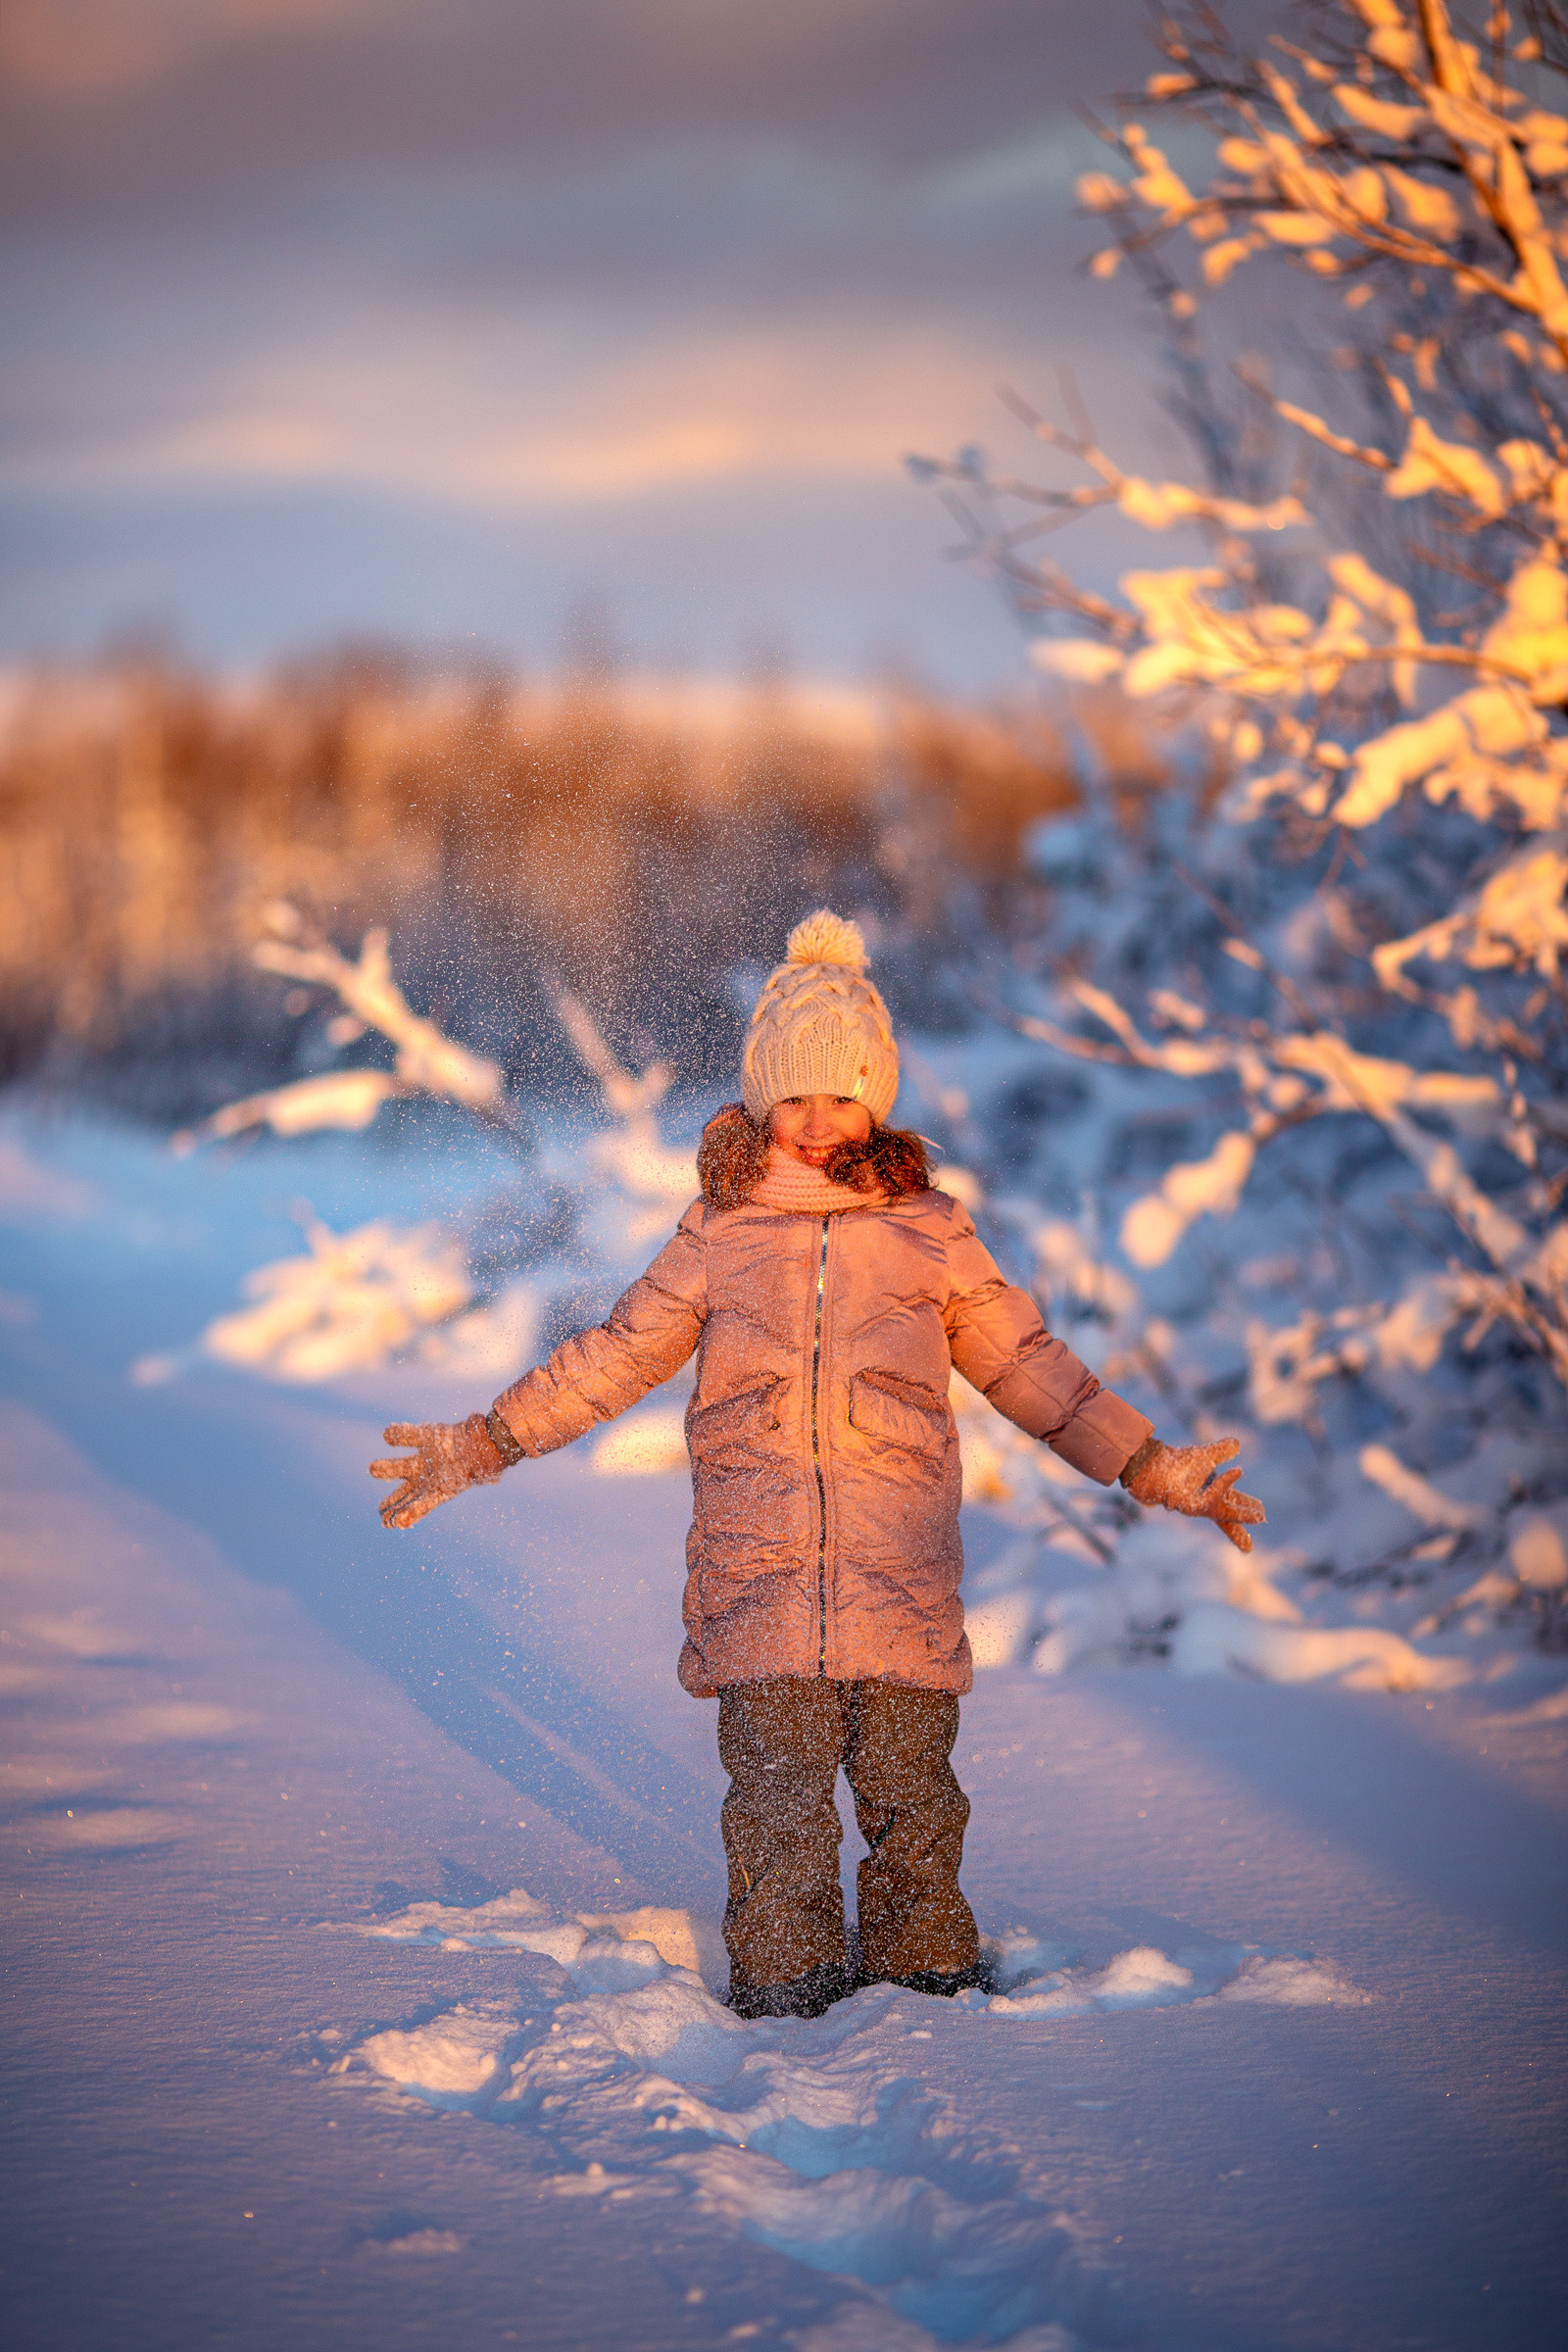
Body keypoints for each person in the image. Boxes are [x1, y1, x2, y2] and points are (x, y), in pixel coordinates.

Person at [370, 910, 1263, 2019]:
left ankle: (928, 1982)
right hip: (760, 1579)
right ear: (760, 1101)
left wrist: (1146, 1465)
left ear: (874, 1099)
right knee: (778, 1804)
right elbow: (614, 1356)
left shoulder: (930, 1233)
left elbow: (1033, 1370)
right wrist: (487, 1440)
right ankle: (785, 1989)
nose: (815, 1122)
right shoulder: (719, 1233)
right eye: (792, 1098)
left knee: (913, 1799)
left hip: (898, 1581)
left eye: (839, 1096)